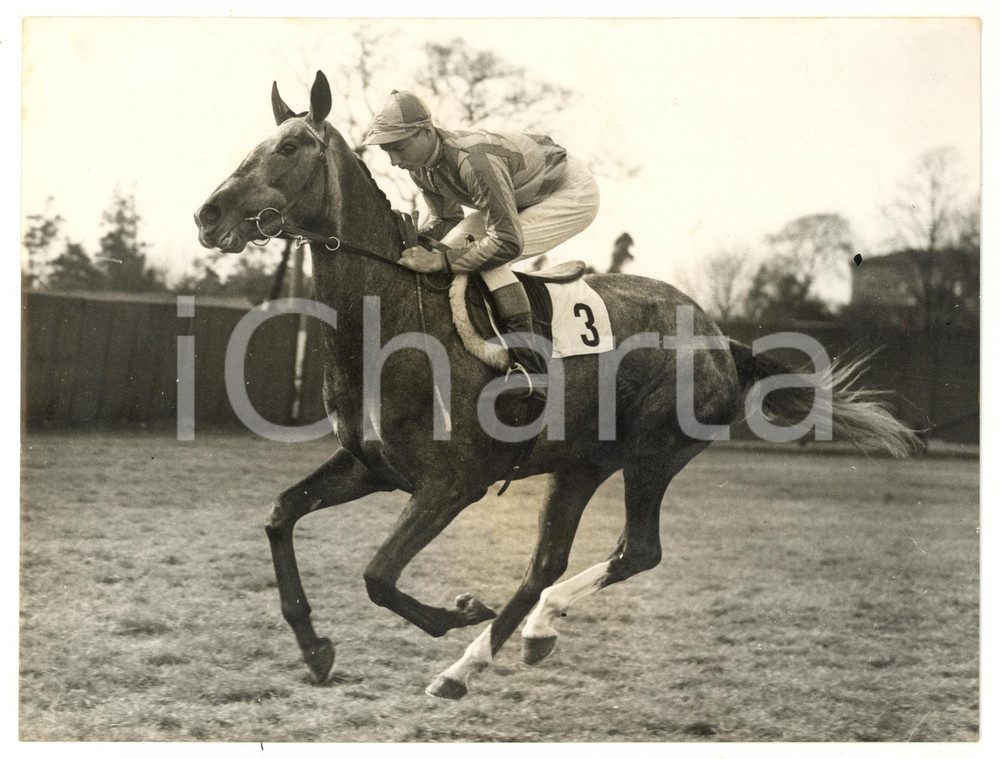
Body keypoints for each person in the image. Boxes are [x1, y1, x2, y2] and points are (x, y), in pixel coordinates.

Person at [363, 89, 600, 403]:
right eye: (387, 151)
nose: (394, 161)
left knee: (487, 257)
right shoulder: (421, 166)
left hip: (570, 192)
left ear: (425, 131)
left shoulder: (474, 162)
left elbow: (507, 241)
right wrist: (412, 242)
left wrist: (440, 262)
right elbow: (446, 217)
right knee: (452, 248)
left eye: (399, 148)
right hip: (523, 192)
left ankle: (529, 368)